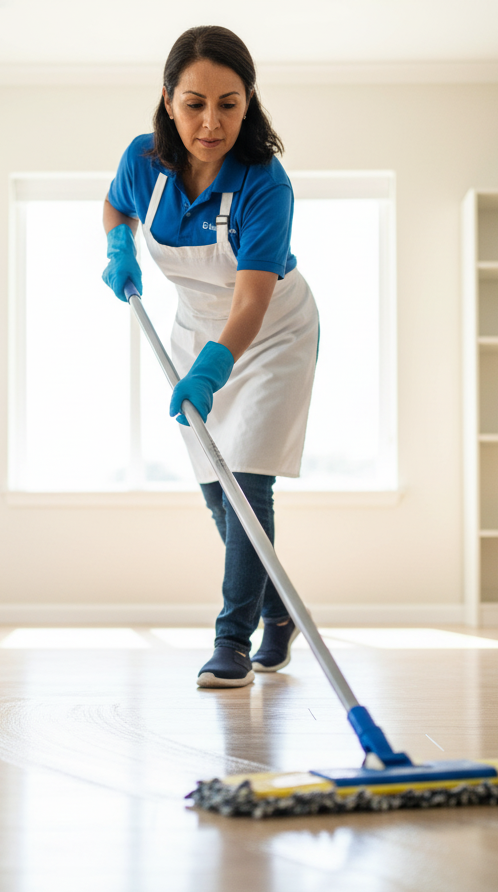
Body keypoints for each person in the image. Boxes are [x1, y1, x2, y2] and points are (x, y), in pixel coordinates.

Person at [102, 25, 318, 689]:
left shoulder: (265, 185)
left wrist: (214, 370)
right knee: (218, 498)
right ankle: (278, 613)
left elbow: (251, 302)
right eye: (195, 103)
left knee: (246, 483)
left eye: (228, 103)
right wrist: (119, 249)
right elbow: (115, 207)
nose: (211, 122)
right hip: (195, 331)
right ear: (168, 100)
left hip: (271, 334)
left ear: (248, 103)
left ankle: (232, 638)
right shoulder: (144, 161)